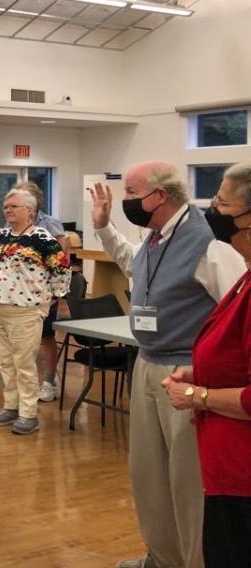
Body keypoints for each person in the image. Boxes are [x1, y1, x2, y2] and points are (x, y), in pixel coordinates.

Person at [89, 160, 245, 568]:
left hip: (186, 371)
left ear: (160, 196)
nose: (126, 201)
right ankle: (162, 557)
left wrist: (209, 378)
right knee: (149, 474)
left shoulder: (208, 242)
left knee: (187, 480)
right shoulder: (154, 238)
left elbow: (234, 307)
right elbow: (132, 264)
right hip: (147, 363)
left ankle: (195, 561)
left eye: (131, 193)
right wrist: (105, 227)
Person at [161, 161, 251, 568]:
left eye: (222, 203)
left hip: (243, 473)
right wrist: (202, 373)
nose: (212, 210)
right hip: (228, 468)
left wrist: (198, 394)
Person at [0, 188, 70, 435]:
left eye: (13, 206)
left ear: (30, 211)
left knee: (23, 363)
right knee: (6, 361)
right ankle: (10, 406)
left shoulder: (42, 238)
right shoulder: (2, 237)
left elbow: (62, 269)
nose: (7, 209)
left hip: (25, 310)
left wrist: (51, 299)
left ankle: (28, 413)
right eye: (6, 206)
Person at [1, 181, 70, 403]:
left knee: (46, 337)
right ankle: (17, 393)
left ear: (32, 204)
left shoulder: (49, 224)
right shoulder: (11, 227)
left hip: (41, 294)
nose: (11, 208)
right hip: (17, 296)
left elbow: (62, 258)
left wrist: (54, 292)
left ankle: (50, 380)